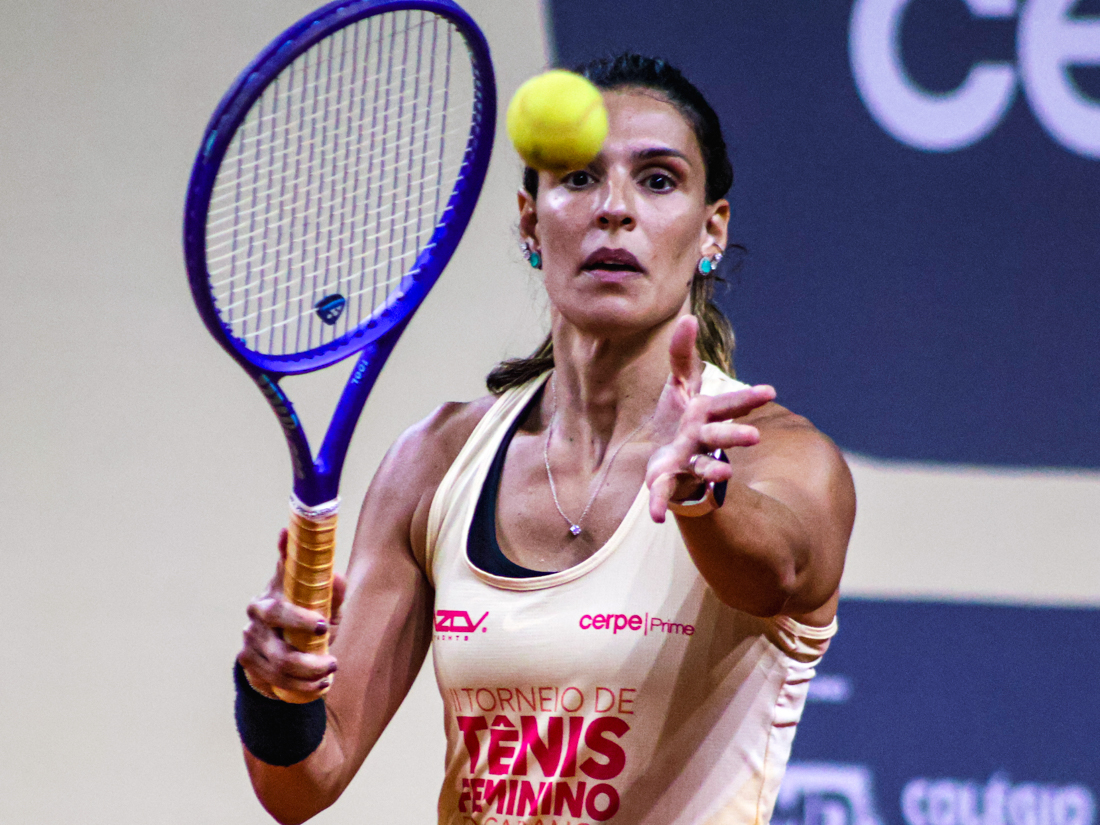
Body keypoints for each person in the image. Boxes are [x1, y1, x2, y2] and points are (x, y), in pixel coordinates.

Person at [235, 53, 855, 825]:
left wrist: (701, 496)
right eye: (580, 178)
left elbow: (779, 572)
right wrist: (272, 690)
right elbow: (302, 783)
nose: (614, 208)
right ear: (531, 221)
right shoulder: (436, 463)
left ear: (712, 231)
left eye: (657, 180)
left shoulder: (782, 455)